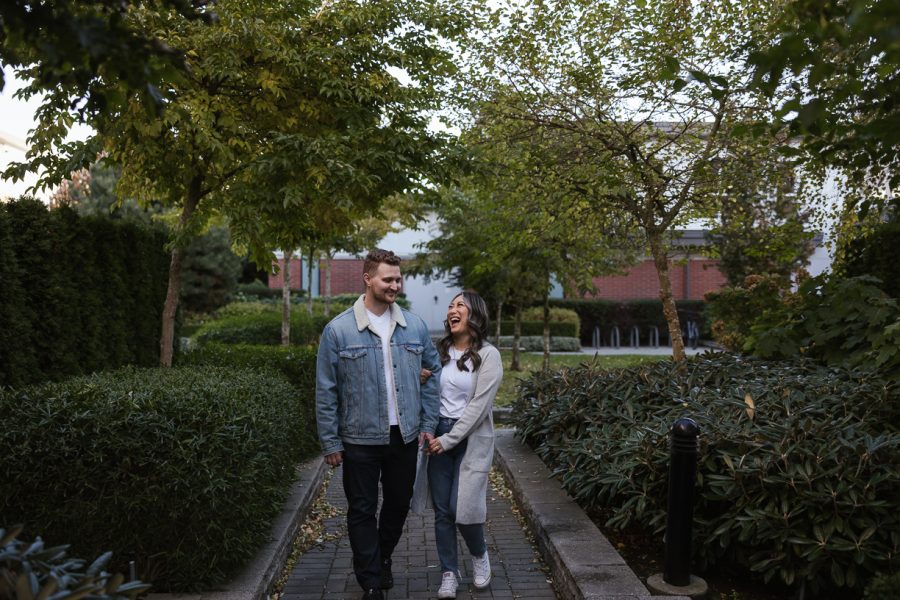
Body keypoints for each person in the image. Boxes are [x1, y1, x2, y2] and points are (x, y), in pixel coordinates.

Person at [315, 248, 442, 600]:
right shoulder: (338, 330)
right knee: (361, 509)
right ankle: (371, 581)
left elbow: (434, 374)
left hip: (404, 434)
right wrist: (330, 441)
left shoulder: (413, 325)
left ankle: (380, 556)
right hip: (358, 437)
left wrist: (428, 423)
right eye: (388, 279)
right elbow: (326, 390)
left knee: (399, 503)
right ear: (367, 279)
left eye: (398, 279)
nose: (395, 285)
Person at [426, 291, 503, 599]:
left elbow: (480, 406)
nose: (452, 310)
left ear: (475, 315)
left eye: (460, 305)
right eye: (450, 306)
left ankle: (479, 554)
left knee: (463, 508)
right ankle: (449, 572)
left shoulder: (489, 355)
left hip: (469, 439)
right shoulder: (440, 350)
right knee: (442, 510)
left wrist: (449, 439)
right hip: (438, 437)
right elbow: (431, 393)